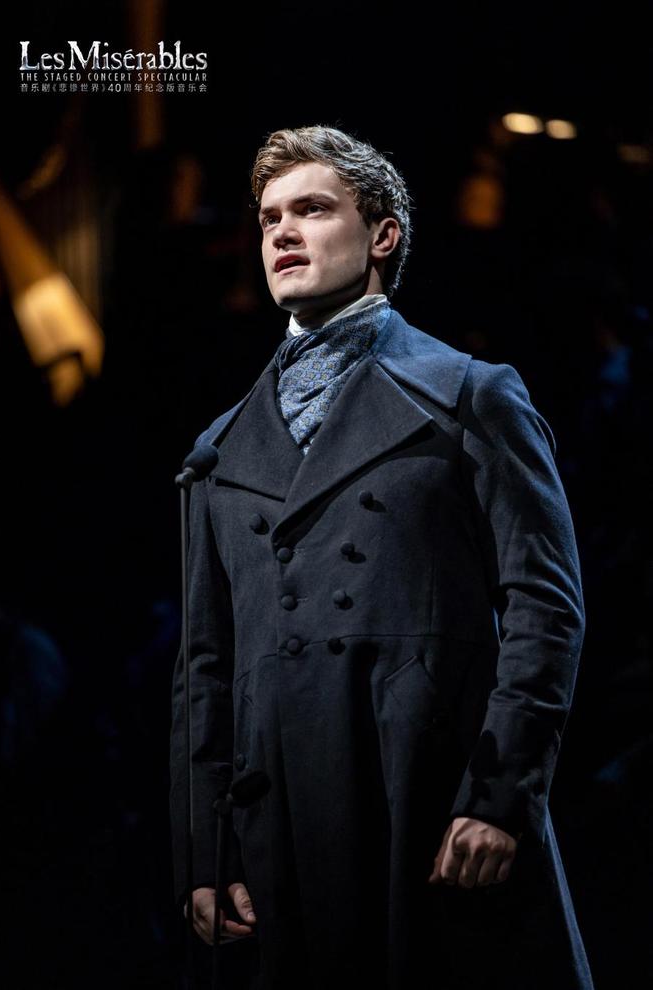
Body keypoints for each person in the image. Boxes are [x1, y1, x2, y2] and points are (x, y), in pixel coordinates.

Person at [170, 125, 594, 989]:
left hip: (428, 797)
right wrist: (203, 853)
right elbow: (204, 665)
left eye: (312, 209)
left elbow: (545, 607)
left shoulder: (469, 395)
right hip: (281, 817)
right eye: (269, 218)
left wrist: (500, 797)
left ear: (383, 234)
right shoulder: (220, 449)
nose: (282, 232)